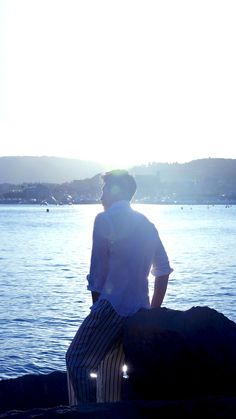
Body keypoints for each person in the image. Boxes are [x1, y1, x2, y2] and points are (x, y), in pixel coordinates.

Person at [66, 169, 173, 404]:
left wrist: (97, 311)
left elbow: (97, 276)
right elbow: (163, 271)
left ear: (117, 191)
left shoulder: (104, 220)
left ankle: (85, 414)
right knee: (110, 372)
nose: (101, 196)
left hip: (112, 307)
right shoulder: (147, 224)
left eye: (104, 190)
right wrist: (152, 313)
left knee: (75, 360)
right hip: (139, 312)